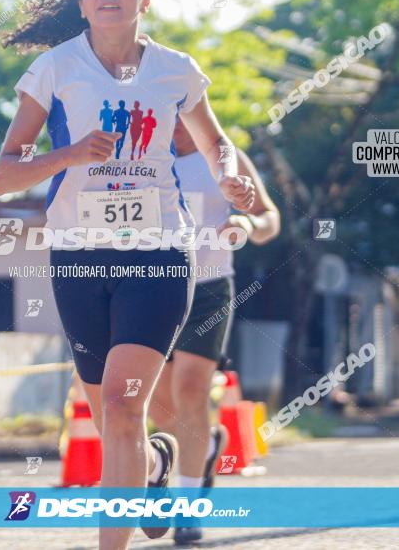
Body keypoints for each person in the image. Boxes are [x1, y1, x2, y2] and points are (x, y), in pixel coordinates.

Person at [0, 0, 255, 548]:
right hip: (79, 257)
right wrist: (70, 155)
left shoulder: (175, 70)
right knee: (111, 417)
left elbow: (218, 146)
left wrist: (232, 179)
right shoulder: (55, 68)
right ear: (83, 3)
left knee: (121, 402)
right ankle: (156, 465)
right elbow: (6, 176)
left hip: (159, 251)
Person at [149, 117, 280, 545]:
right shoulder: (141, 157)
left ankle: (187, 510)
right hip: (149, 286)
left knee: (191, 392)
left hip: (208, 289)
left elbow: (268, 217)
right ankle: (200, 452)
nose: (178, 125)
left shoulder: (225, 160)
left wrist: (246, 225)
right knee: (157, 404)